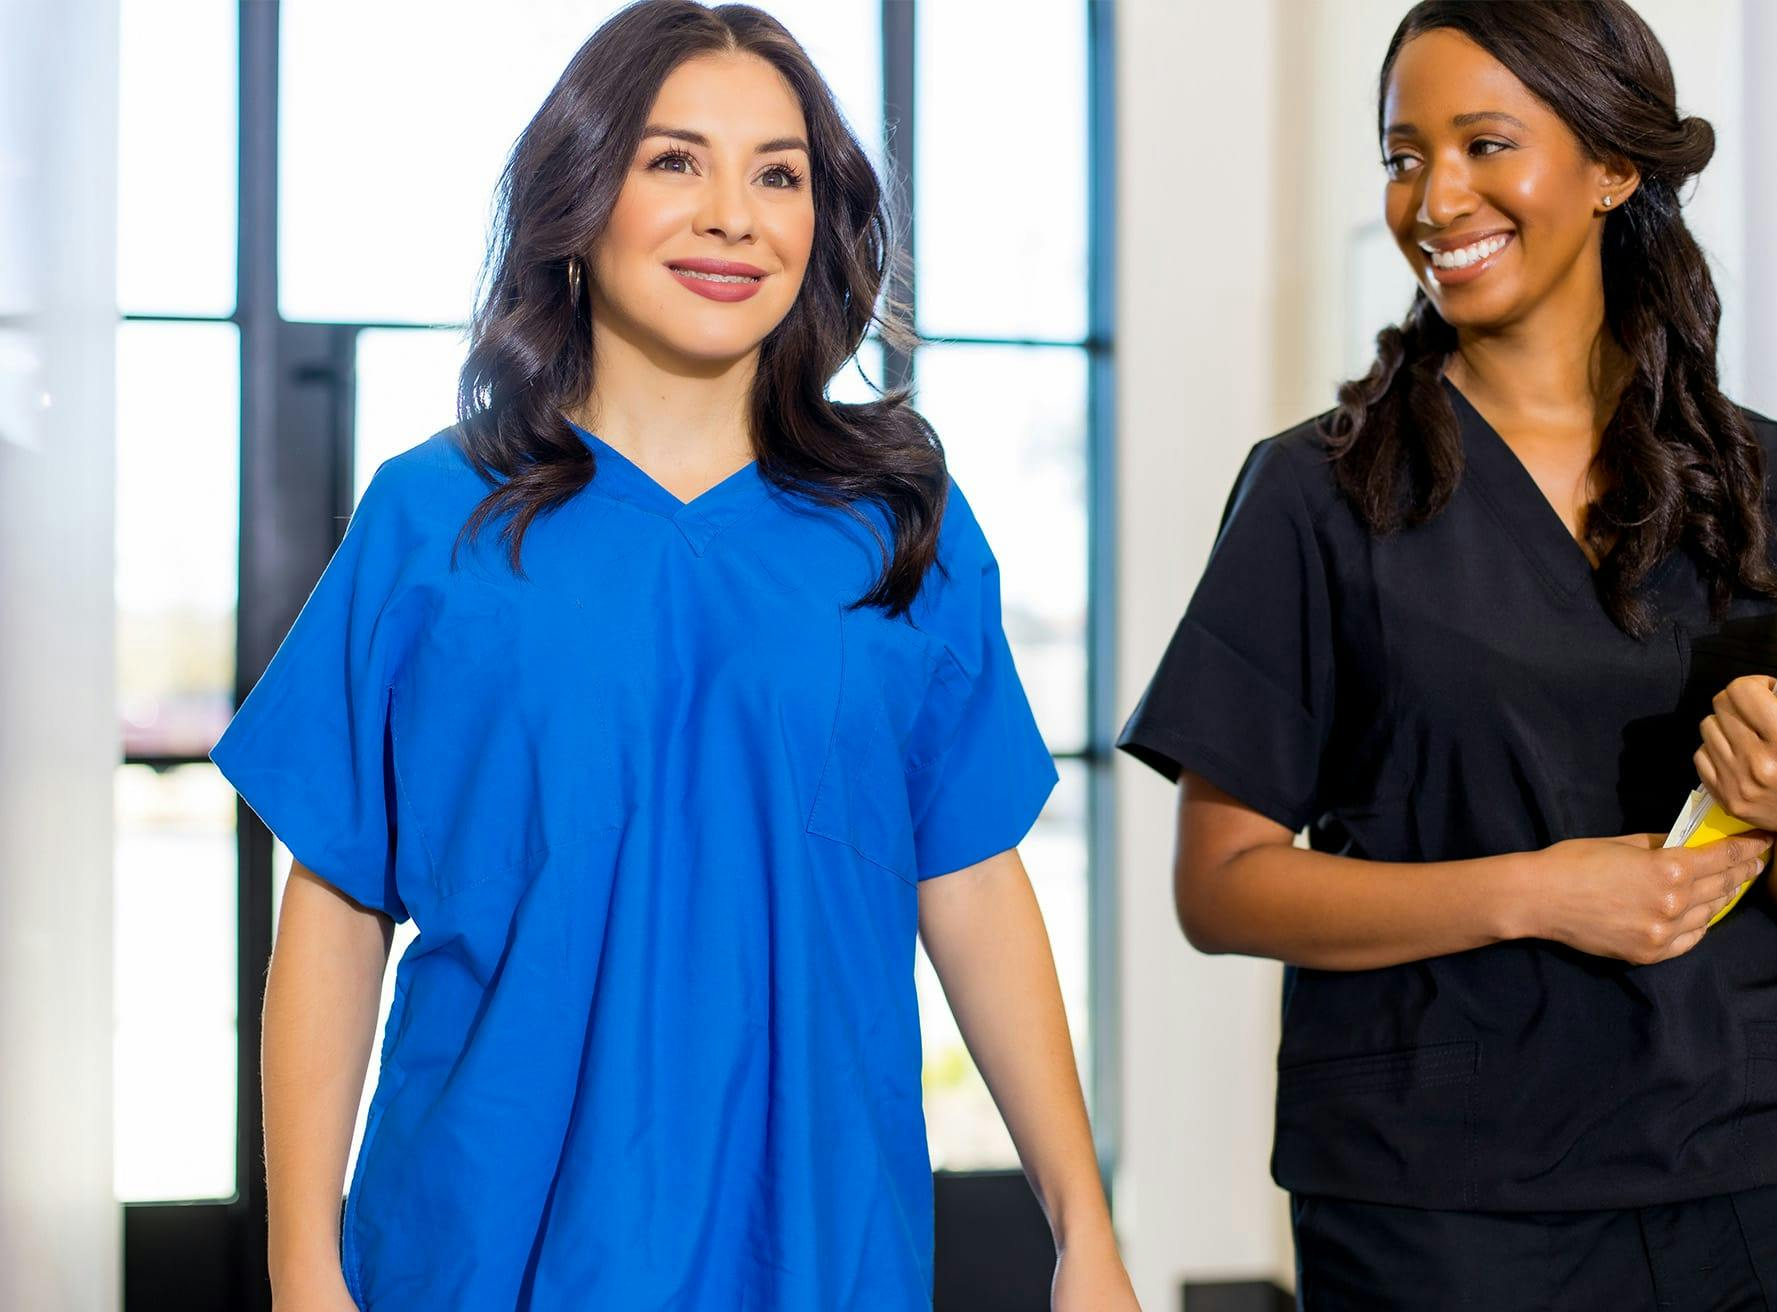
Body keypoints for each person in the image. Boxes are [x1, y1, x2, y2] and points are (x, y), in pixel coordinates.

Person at [211, 3, 1136, 1308]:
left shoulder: (897, 523)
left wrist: (1081, 1226)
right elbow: (338, 902)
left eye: (779, 174)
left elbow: (972, 882)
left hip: (816, 1242)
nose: (733, 216)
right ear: (579, 196)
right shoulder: (434, 520)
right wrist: (303, 1265)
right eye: (673, 161)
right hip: (484, 1242)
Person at [1117, 2, 1777, 1308]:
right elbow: (1224, 887)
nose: (1437, 197)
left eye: (1487, 144)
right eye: (1403, 156)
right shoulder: (1315, 500)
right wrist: (1538, 891)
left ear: (1614, 168)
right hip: (1437, 1203)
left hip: (1747, 1182)